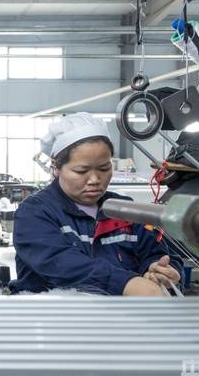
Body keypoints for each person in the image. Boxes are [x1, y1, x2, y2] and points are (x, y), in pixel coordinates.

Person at [10, 113, 183, 296]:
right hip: (52, 312)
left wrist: (159, 271)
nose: (94, 179)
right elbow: (59, 263)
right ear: (56, 167)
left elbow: (157, 252)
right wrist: (125, 283)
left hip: (122, 313)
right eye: (81, 171)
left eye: (104, 168)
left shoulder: (124, 209)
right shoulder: (35, 212)